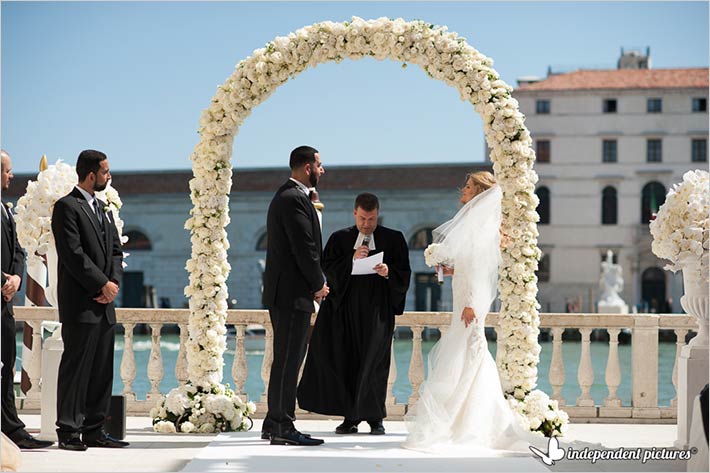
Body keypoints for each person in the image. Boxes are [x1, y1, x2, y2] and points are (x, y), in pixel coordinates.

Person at [403, 171, 544, 454]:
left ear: (479, 192)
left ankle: (472, 423)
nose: (462, 191)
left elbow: (481, 270)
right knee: (469, 357)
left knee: (471, 356)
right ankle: (466, 421)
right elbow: (471, 265)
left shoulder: (480, 226)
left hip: (468, 302)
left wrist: (471, 303)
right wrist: (449, 269)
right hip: (463, 297)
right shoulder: (475, 223)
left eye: (467, 187)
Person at [298, 193, 411, 435]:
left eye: (370, 219)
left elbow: (404, 272)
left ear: (377, 214)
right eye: (362, 219)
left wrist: (388, 271)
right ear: (354, 214)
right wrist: (350, 260)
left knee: (375, 362)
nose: (366, 224)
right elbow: (326, 269)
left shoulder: (393, 239)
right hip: (344, 311)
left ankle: (375, 418)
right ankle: (350, 417)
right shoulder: (340, 239)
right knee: (347, 361)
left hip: (378, 311)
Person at [52, 150, 127, 451]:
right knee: (76, 370)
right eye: (106, 171)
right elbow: (73, 255)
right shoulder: (66, 207)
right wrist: (101, 284)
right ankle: (68, 431)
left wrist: (114, 284)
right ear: (91, 174)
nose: (110, 177)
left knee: (101, 370)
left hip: (105, 305)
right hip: (80, 304)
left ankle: (95, 430)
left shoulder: (105, 209)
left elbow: (116, 252)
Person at [261, 145, 328, 446]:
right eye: (319, 165)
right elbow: (305, 249)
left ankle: (272, 422)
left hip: (288, 294)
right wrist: (318, 284)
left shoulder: (292, 197)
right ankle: (282, 426)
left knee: (285, 360)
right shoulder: (292, 199)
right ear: (306, 167)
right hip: (291, 294)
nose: (322, 170)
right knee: (289, 361)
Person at [0, 150, 54, 449]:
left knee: (7, 368)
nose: (11, 176)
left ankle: (11, 430)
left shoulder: (6, 209)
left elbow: (18, 250)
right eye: (7, 171)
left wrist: (17, 278)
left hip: (4, 305)